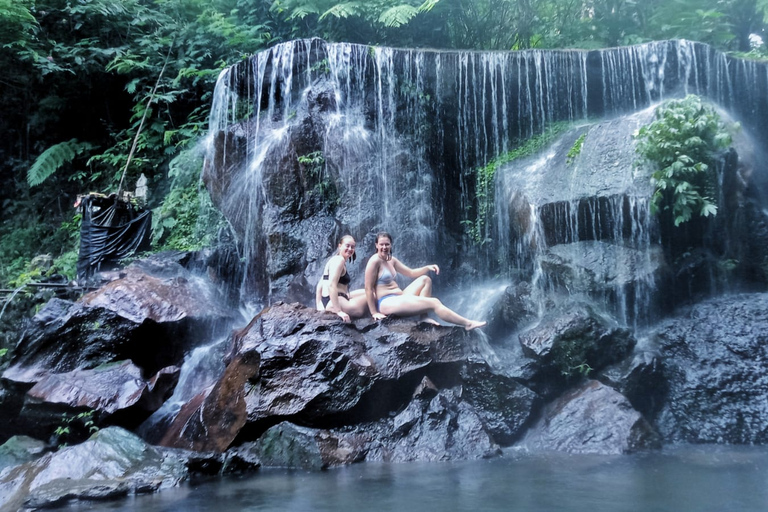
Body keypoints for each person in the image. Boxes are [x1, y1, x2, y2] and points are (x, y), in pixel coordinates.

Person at [364, 231, 486, 330]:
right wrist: (374, 312)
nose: (384, 247)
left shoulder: (391, 259)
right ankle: (467, 324)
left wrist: (427, 267)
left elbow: (410, 272)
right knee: (434, 302)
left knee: (425, 280)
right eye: (381, 244)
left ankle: (424, 317)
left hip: (399, 297)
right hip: (387, 302)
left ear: (391, 245)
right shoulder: (374, 261)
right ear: (376, 245)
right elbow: (368, 288)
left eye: (387, 244)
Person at [316, 235, 367, 322]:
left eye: (352, 247)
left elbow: (320, 285)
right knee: (372, 294)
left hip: (329, 300)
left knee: (368, 290)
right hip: (336, 301)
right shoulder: (339, 260)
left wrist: (319, 305)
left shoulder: (333, 259)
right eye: (347, 246)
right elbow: (331, 285)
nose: (350, 249)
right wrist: (338, 311)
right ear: (340, 246)